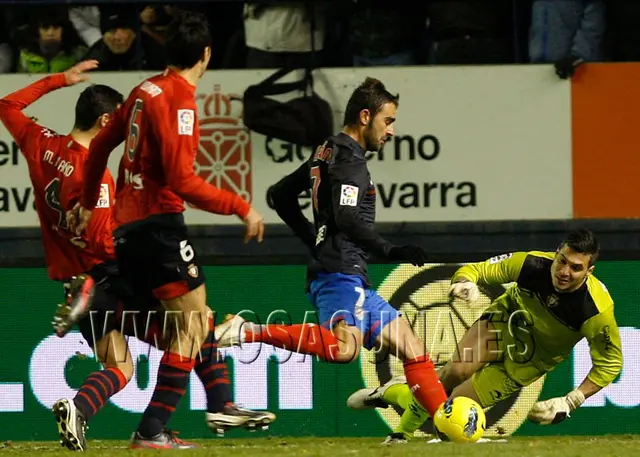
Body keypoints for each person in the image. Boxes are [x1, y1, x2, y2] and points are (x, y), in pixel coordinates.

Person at [0, 62, 273, 451]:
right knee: (194, 326)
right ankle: (195, 414)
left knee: (121, 367)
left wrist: (58, 80)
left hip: (72, 279)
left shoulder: (40, 144)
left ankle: (79, 408)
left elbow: (6, 106)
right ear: (108, 119)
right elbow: (100, 240)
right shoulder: (100, 182)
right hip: (108, 279)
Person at [67, 11, 265, 449]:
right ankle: (154, 428)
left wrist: (85, 200)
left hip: (127, 227)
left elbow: (99, 144)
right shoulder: (179, 102)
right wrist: (241, 207)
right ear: (206, 55)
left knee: (192, 322)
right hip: (159, 226)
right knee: (194, 326)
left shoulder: (143, 90)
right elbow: (182, 181)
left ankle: (217, 404)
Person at [215, 77, 449, 434]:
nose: (393, 131)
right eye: (388, 121)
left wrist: (315, 240)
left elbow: (279, 195)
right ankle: (248, 331)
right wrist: (390, 249)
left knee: (412, 347)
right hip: (341, 270)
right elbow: (347, 217)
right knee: (344, 350)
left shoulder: (327, 150)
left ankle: (448, 429)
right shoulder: (350, 162)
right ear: (366, 116)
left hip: (343, 267)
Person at [347, 229, 623, 442]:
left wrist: (571, 399)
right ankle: (401, 436)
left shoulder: (596, 310)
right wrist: (465, 282)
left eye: (576, 268)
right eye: (562, 261)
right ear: (556, 253)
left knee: (450, 416)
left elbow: (610, 364)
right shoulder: (530, 264)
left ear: (589, 271)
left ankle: (391, 392)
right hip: (502, 324)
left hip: (528, 362)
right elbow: (477, 269)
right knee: (454, 371)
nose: (564, 272)